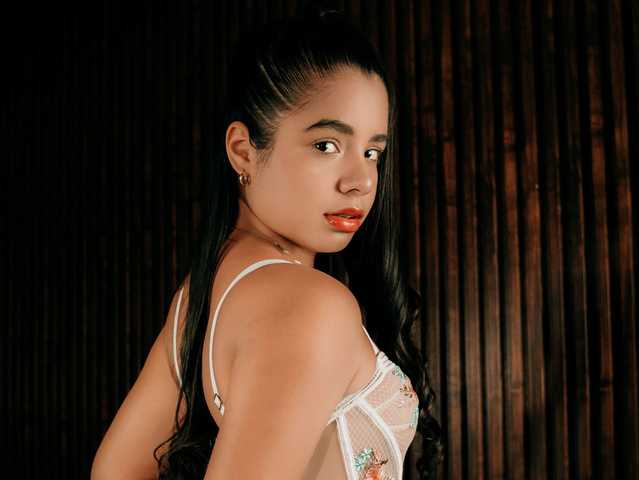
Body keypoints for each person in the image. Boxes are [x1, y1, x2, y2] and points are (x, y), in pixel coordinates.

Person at [91, 3, 443, 479]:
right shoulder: (311, 304)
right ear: (243, 150)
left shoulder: (201, 296)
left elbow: (115, 472)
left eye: (372, 152)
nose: (360, 181)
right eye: (326, 145)